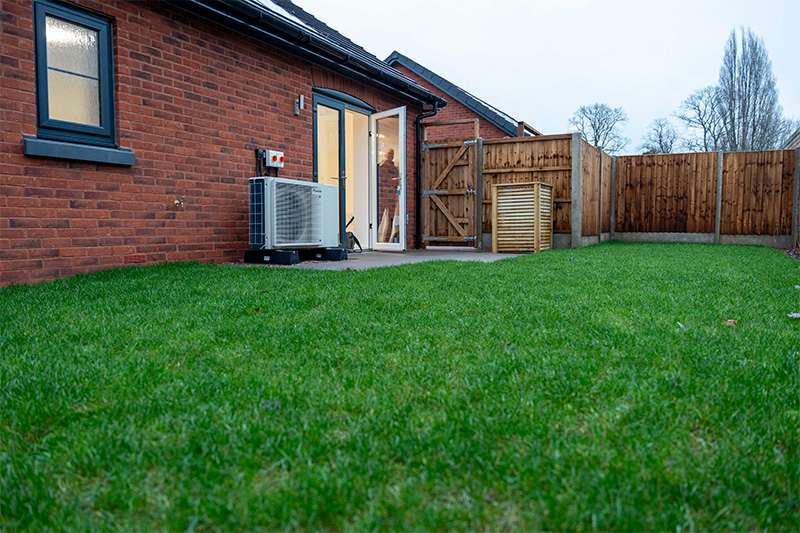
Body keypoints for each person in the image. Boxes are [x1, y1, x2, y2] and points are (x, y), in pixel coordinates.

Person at [377, 148, 400, 243]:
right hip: (383, 196)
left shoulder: (395, 169)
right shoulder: (381, 166)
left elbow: (396, 181)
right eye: (389, 153)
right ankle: (377, 239)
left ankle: (388, 240)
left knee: (391, 219)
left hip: (391, 197)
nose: (390, 155)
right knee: (379, 217)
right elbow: (380, 180)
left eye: (392, 154)